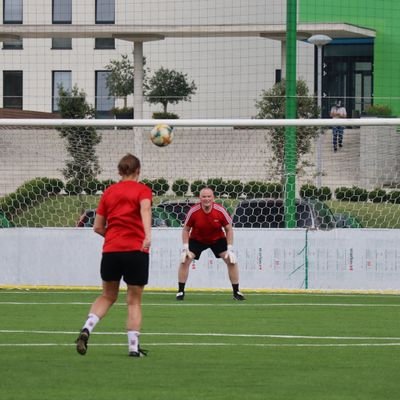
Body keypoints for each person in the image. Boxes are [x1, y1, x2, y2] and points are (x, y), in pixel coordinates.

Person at [75, 153, 152, 358]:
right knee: (134, 301)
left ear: (119, 172)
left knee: (108, 295)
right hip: (136, 250)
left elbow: (97, 227)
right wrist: (147, 235)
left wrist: (114, 236)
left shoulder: (109, 192)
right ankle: (133, 348)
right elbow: (145, 209)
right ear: (138, 171)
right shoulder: (142, 190)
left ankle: (87, 329)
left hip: (111, 251)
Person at [176, 187, 245, 301]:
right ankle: (180, 292)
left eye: (209, 196)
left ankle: (236, 292)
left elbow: (229, 229)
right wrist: (185, 248)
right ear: (200, 198)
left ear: (213, 198)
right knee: (185, 260)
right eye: (204, 196)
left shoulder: (220, 211)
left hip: (217, 239)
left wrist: (230, 249)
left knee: (232, 261)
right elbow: (185, 230)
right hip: (197, 239)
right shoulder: (193, 211)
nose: (206, 199)